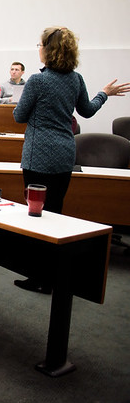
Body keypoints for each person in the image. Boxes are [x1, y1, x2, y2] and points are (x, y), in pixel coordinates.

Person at [12, 26, 130, 293]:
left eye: (39, 44)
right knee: (55, 214)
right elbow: (87, 111)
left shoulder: (37, 80)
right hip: (65, 153)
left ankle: (38, 277)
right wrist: (104, 94)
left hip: (38, 155)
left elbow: (19, 116)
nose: (38, 48)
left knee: (35, 215)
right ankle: (52, 276)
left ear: (48, 49)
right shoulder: (76, 79)